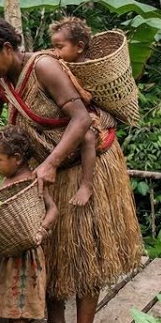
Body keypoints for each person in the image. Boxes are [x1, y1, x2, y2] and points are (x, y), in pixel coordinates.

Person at [0, 16, 143, 323]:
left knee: (86, 248)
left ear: (7, 49)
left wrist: (51, 162)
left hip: (89, 164)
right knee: (51, 245)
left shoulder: (44, 68)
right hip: (49, 169)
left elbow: (82, 120)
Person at [0, 125, 57, 323]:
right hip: (8, 251)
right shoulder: (6, 179)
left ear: (16, 159)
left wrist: (42, 230)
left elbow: (53, 210)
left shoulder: (32, 181)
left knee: (20, 307)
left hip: (26, 254)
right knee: (8, 301)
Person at [48, 16, 99, 207]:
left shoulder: (88, 66)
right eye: (54, 47)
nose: (56, 52)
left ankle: (86, 184)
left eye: (60, 47)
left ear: (79, 47)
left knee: (87, 137)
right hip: (77, 112)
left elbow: (87, 98)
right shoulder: (61, 64)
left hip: (93, 112)